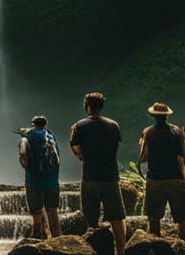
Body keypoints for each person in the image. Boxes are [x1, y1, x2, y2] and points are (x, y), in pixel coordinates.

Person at [69, 92, 125, 255]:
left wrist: (83, 154)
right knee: (117, 217)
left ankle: (92, 250)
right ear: (101, 107)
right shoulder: (113, 125)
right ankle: (121, 251)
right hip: (109, 177)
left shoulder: (78, 126)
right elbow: (117, 148)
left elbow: (77, 151)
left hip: (90, 178)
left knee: (90, 219)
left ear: (87, 107)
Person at [138, 102, 185, 245]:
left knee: (154, 218)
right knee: (183, 218)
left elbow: (143, 158)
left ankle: (156, 247)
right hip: (175, 178)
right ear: (167, 116)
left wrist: (142, 143)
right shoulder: (177, 131)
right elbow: (183, 156)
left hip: (156, 179)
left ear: (153, 116)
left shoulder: (148, 132)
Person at [19, 115, 61, 239]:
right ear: (45, 124)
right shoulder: (51, 137)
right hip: (52, 181)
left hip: (34, 182)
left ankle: (37, 239)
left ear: (33, 124)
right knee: (52, 211)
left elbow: (23, 158)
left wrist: (29, 169)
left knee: (37, 213)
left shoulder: (27, 138)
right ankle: (58, 240)